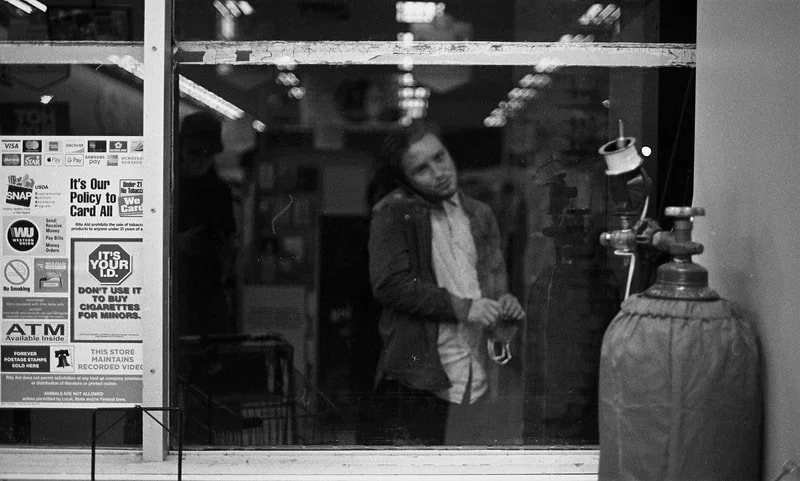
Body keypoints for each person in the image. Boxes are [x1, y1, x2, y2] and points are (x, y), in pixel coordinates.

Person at [367, 120, 525, 445]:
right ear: (405, 179)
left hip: (479, 375)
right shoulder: (394, 212)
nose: (439, 172)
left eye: (439, 157)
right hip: (423, 379)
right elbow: (389, 284)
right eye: (422, 169)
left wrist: (505, 306)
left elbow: (494, 288)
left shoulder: (480, 214)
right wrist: (465, 309)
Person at [175, 111, 236, 336]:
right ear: (180, 148)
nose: (201, 159)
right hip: (171, 288)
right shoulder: (163, 186)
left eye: (208, 154)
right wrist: (173, 243)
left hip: (208, 291)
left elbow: (228, 238)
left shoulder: (219, 192)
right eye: (196, 152)